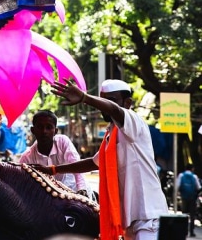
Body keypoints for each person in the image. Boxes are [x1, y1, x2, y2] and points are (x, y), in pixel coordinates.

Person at [50, 78, 169, 240]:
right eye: (101, 99)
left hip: (148, 216)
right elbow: (93, 162)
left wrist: (85, 98)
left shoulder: (133, 120)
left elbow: (114, 110)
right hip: (129, 220)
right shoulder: (110, 134)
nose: (103, 106)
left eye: (109, 100)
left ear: (127, 103)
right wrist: (54, 170)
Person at [19, 109, 88, 196]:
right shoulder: (26, 157)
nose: (44, 131)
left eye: (49, 127)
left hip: (73, 191)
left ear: (55, 131)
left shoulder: (63, 142)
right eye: (40, 127)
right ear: (33, 130)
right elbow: (19, 181)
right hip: (46, 199)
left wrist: (81, 189)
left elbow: (77, 165)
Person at [177, 163, 201, 237]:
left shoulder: (181, 175)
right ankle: (191, 232)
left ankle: (184, 231)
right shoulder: (194, 176)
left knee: (184, 214)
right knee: (192, 215)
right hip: (192, 198)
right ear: (192, 169)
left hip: (184, 197)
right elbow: (198, 187)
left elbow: (177, 186)